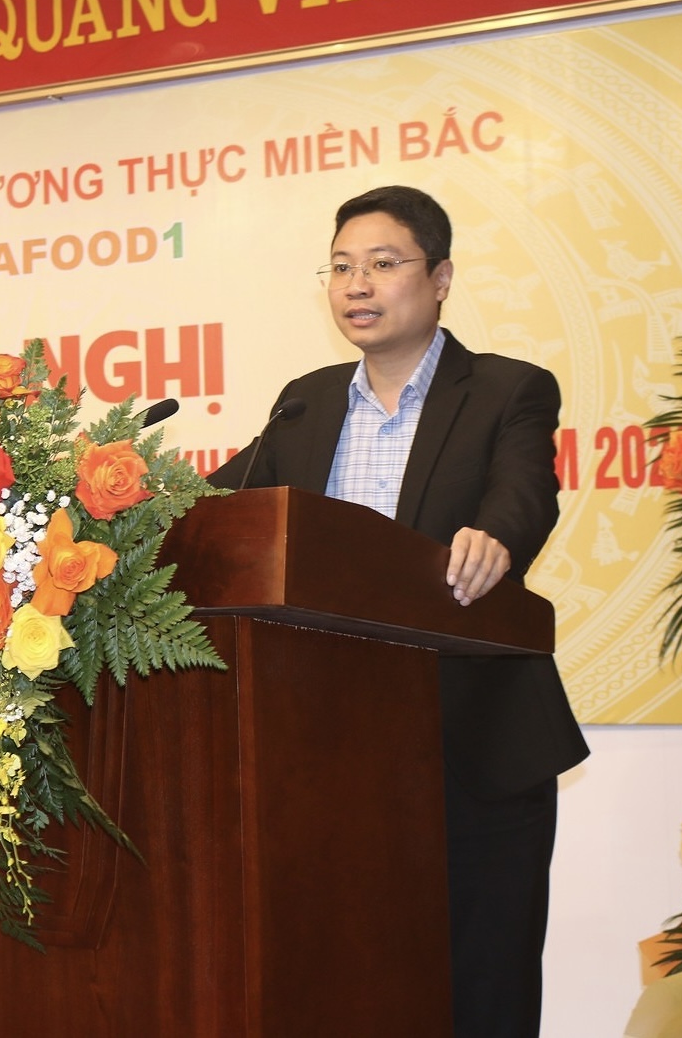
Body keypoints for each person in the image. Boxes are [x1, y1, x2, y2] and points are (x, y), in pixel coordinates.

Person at [209, 185, 589, 1037]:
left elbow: (524, 493)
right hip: (328, 751)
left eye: (383, 264)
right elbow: (223, 504)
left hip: (474, 741)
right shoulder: (305, 402)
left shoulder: (508, 389)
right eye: (342, 267)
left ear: (440, 277)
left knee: (482, 988)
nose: (358, 284)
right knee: (353, 983)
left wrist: (494, 536)